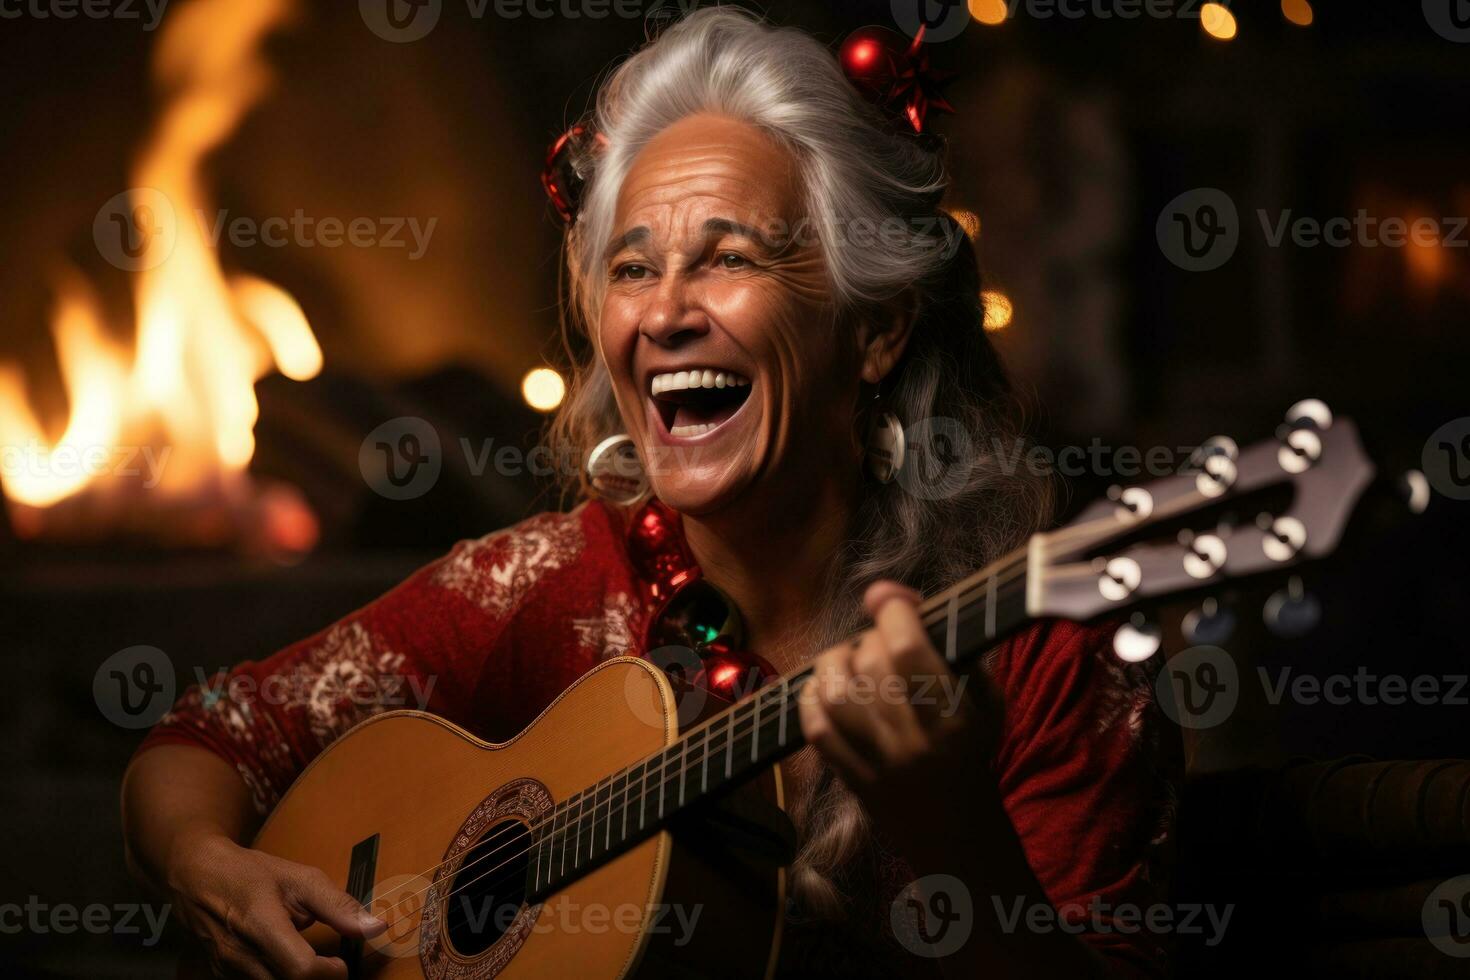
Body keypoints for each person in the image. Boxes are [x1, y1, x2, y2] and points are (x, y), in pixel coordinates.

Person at [121, 9, 1175, 978]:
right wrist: (206, 865)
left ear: (877, 328)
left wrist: (957, 833)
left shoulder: (1039, 648)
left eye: (730, 258)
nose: (664, 312)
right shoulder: (553, 578)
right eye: (631, 269)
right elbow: (211, 733)